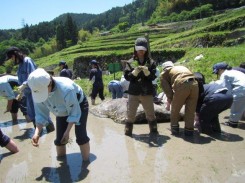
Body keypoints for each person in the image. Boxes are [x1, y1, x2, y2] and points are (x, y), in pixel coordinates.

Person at [28, 68, 90, 161]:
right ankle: (62, 164)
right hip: (60, 109)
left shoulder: (66, 88)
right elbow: (41, 115)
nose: (42, 95)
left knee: (80, 136)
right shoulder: (37, 91)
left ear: (49, 83)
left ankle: (86, 162)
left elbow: (74, 112)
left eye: (43, 92)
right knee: (59, 140)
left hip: (79, 105)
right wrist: (36, 133)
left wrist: (67, 131)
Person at [5, 46, 55, 132]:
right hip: (28, 93)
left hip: (36, 91)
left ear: (16, 54)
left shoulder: (27, 61)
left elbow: (33, 76)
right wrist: (21, 93)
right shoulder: (20, 66)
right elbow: (21, 82)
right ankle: (39, 133)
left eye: (11, 57)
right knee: (32, 113)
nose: (12, 60)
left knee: (41, 112)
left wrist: (23, 85)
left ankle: (49, 130)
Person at [124, 37, 158, 136]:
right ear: (135, 49)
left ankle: (154, 133)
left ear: (146, 49)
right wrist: (133, 73)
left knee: (151, 115)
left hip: (147, 92)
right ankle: (128, 134)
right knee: (130, 115)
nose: (141, 51)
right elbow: (127, 77)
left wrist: (148, 73)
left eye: (143, 49)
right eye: (139, 49)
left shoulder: (151, 62)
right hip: (133, 92)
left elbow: (153, 77)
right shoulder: (130, 62)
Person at [160, 61, 199, 136]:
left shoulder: (164, 73)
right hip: (194, 84)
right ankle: (189, 131)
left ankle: (175, 131)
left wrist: (171, 100)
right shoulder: (180, 67)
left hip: (182, 83)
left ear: (164, 68)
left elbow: (167, 90)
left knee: (175, 109)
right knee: (190, 111)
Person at [212, 62, 245, 128]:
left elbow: (226, 89)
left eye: (217, 72)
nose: (217, 74)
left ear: (221, 69)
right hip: (242, 89)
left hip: (241, 91)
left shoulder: (224, 75)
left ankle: (233, 123)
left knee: (235, 107)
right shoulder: (235, 71)